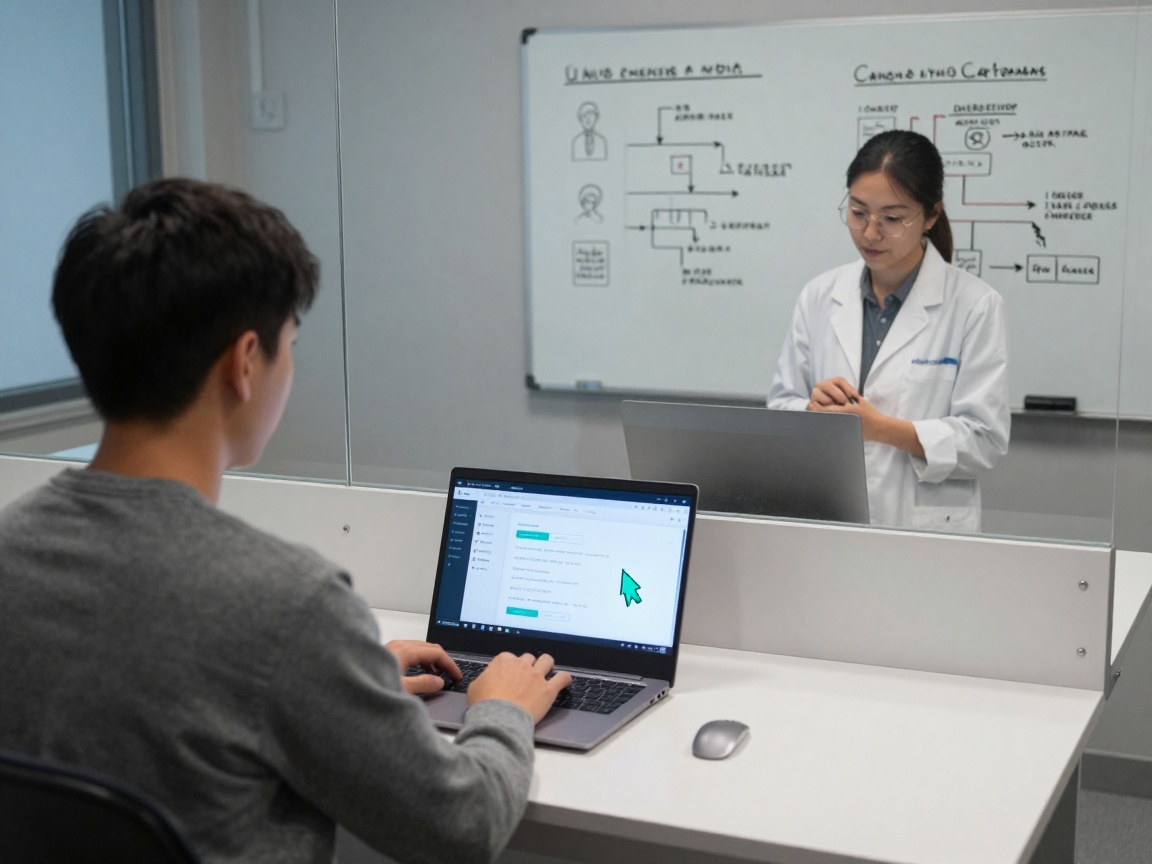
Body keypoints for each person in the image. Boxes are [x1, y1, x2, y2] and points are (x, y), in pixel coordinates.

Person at [0, 178, 572, 863]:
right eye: (290, 344)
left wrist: (338, 682)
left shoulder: (11, 550)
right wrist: (503, 708)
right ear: (245, 363)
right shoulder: (287, 604)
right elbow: (464, 828)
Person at [767, 130, 1010, 532]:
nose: (870, 233)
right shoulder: (820, 295)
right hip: (828, 517)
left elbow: (984, 441)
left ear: (931, 215)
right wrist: (811, 411)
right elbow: (780, 406)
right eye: (858, 212)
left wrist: (881, 429)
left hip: (923, 531)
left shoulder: (975, 306)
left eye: (892, 219)